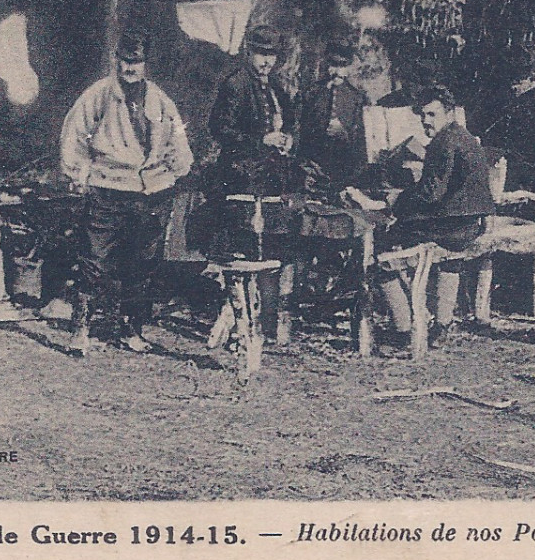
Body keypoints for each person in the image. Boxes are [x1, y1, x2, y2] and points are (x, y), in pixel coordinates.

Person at [59, 32, 194, 352]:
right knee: (96, 259)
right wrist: (77, 172)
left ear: (146, 64)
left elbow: (178, 141)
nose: (130, 68)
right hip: (109, 187)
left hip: (149, 192)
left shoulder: (160, 101)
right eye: (125, 60)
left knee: (142, 263)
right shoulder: (99, 95)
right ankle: (81, 329)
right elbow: (74, 133)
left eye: (136, 62)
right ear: (115, 60)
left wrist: (177, 169)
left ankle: (130, 328)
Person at [377, 84, 495, 343]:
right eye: (422, 115)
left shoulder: (443, 142)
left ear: (449, 113)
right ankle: (441, 325)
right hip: (469, 224)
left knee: (382, 251)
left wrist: (395, 201)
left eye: (432, 114)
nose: (425, 121)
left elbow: (430, 194)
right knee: (447, 259)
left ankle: (403, 328)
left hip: (453, 227)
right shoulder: (464, 137)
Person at [204, 23, 294, 200]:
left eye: (272, 55)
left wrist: (289, 137)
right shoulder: (236, 84)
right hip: (240, 174)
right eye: (262, 54)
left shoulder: (275, 85)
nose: (267, 61)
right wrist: (261, 140)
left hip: (272, 173)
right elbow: (219, 128)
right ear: (249, 52)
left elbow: (290, 120)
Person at [478, 48, 535, 227]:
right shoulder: (525, 103)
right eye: (512, 81)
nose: (514, 86)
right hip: (530, 176)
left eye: (519, 81)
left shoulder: (534, 107)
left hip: (530, 179)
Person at [295, 33, 368, 190]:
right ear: (326, 63)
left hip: (343, 173)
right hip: (312, 171)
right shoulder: (311, 93)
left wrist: (345, 135)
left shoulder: (355, 98)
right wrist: (304, 169)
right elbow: (299, 134)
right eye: (333, 65)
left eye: (342, 66)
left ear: (349, 67)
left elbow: (360, 145)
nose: (336, 71)